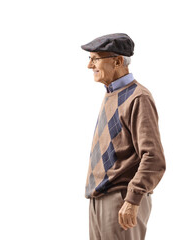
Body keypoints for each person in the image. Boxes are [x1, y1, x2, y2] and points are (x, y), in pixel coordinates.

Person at [81, 33, 166, 239]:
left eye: (96, 59)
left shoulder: (138, 97)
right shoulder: (113, 93)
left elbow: (153, 158)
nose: (90, 65)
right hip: (100, 198)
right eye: (90, 59)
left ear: (118, 61)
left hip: (120, 199)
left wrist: (132, 199)